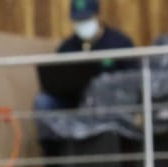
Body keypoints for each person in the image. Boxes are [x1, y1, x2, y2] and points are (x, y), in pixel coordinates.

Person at [35, 0, 135, 157]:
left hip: (110, 104)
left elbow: (134, 78)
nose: (82, 24)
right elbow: (56, 79)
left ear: (98, 16)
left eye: (86, 19)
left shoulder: (120, 42)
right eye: (78, 20)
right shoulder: (67, 47)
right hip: (75, 100)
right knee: (43, 102)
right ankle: (53, 157)